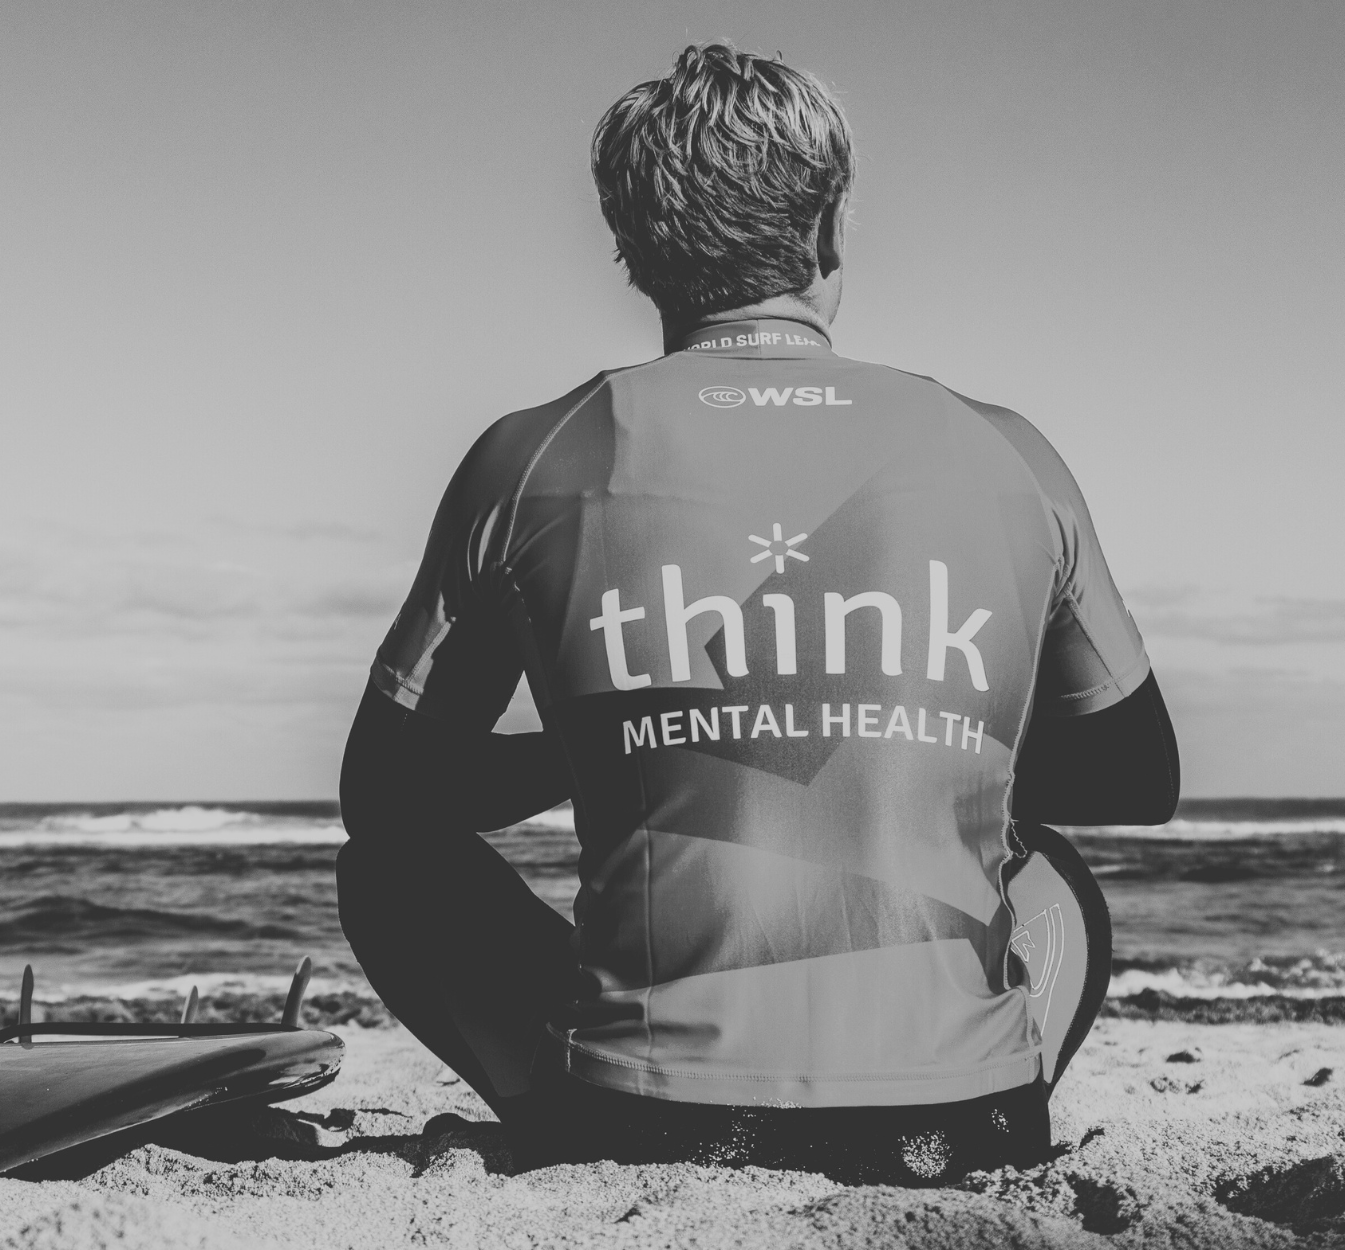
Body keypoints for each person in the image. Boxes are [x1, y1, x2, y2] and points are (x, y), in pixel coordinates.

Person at [337, 43, 1178, 1183]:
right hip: (961, 1131)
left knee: (388, 872)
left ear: (631, 252)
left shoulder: (529, 454)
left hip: (635, 1135)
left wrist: (629, 744)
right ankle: (974, 1083)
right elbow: (1138, 777)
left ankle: (550, 1108)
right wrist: (903, 750)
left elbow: (386, 801)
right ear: (828, 229)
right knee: (1052, 875)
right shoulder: (1003, 450)